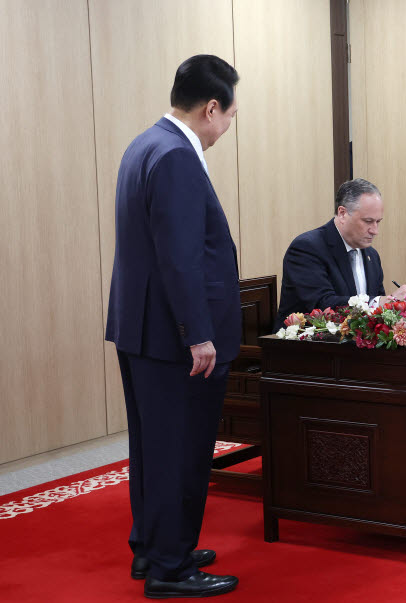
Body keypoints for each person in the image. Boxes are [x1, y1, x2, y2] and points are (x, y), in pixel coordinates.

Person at [104, 55, 241, 598]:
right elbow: (180, 258)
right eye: (230, 115)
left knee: (153, 447)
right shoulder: (178, 157)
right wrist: (198, 333)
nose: (228, 126)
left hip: (143, 331)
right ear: (211, 108)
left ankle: (155, 545)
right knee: (179, 449)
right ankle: (171, 567)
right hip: (174, 337)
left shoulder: (145, 144)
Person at [276, 178, 406, 327]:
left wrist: (396, 306)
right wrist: (381, 302)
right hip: (307, 345)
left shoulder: (371, 255)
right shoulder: (306, 248)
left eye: (378, 222)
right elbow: (322, 305)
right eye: (368, 221)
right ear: (342, 213)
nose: (375, 231)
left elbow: (375, 313)